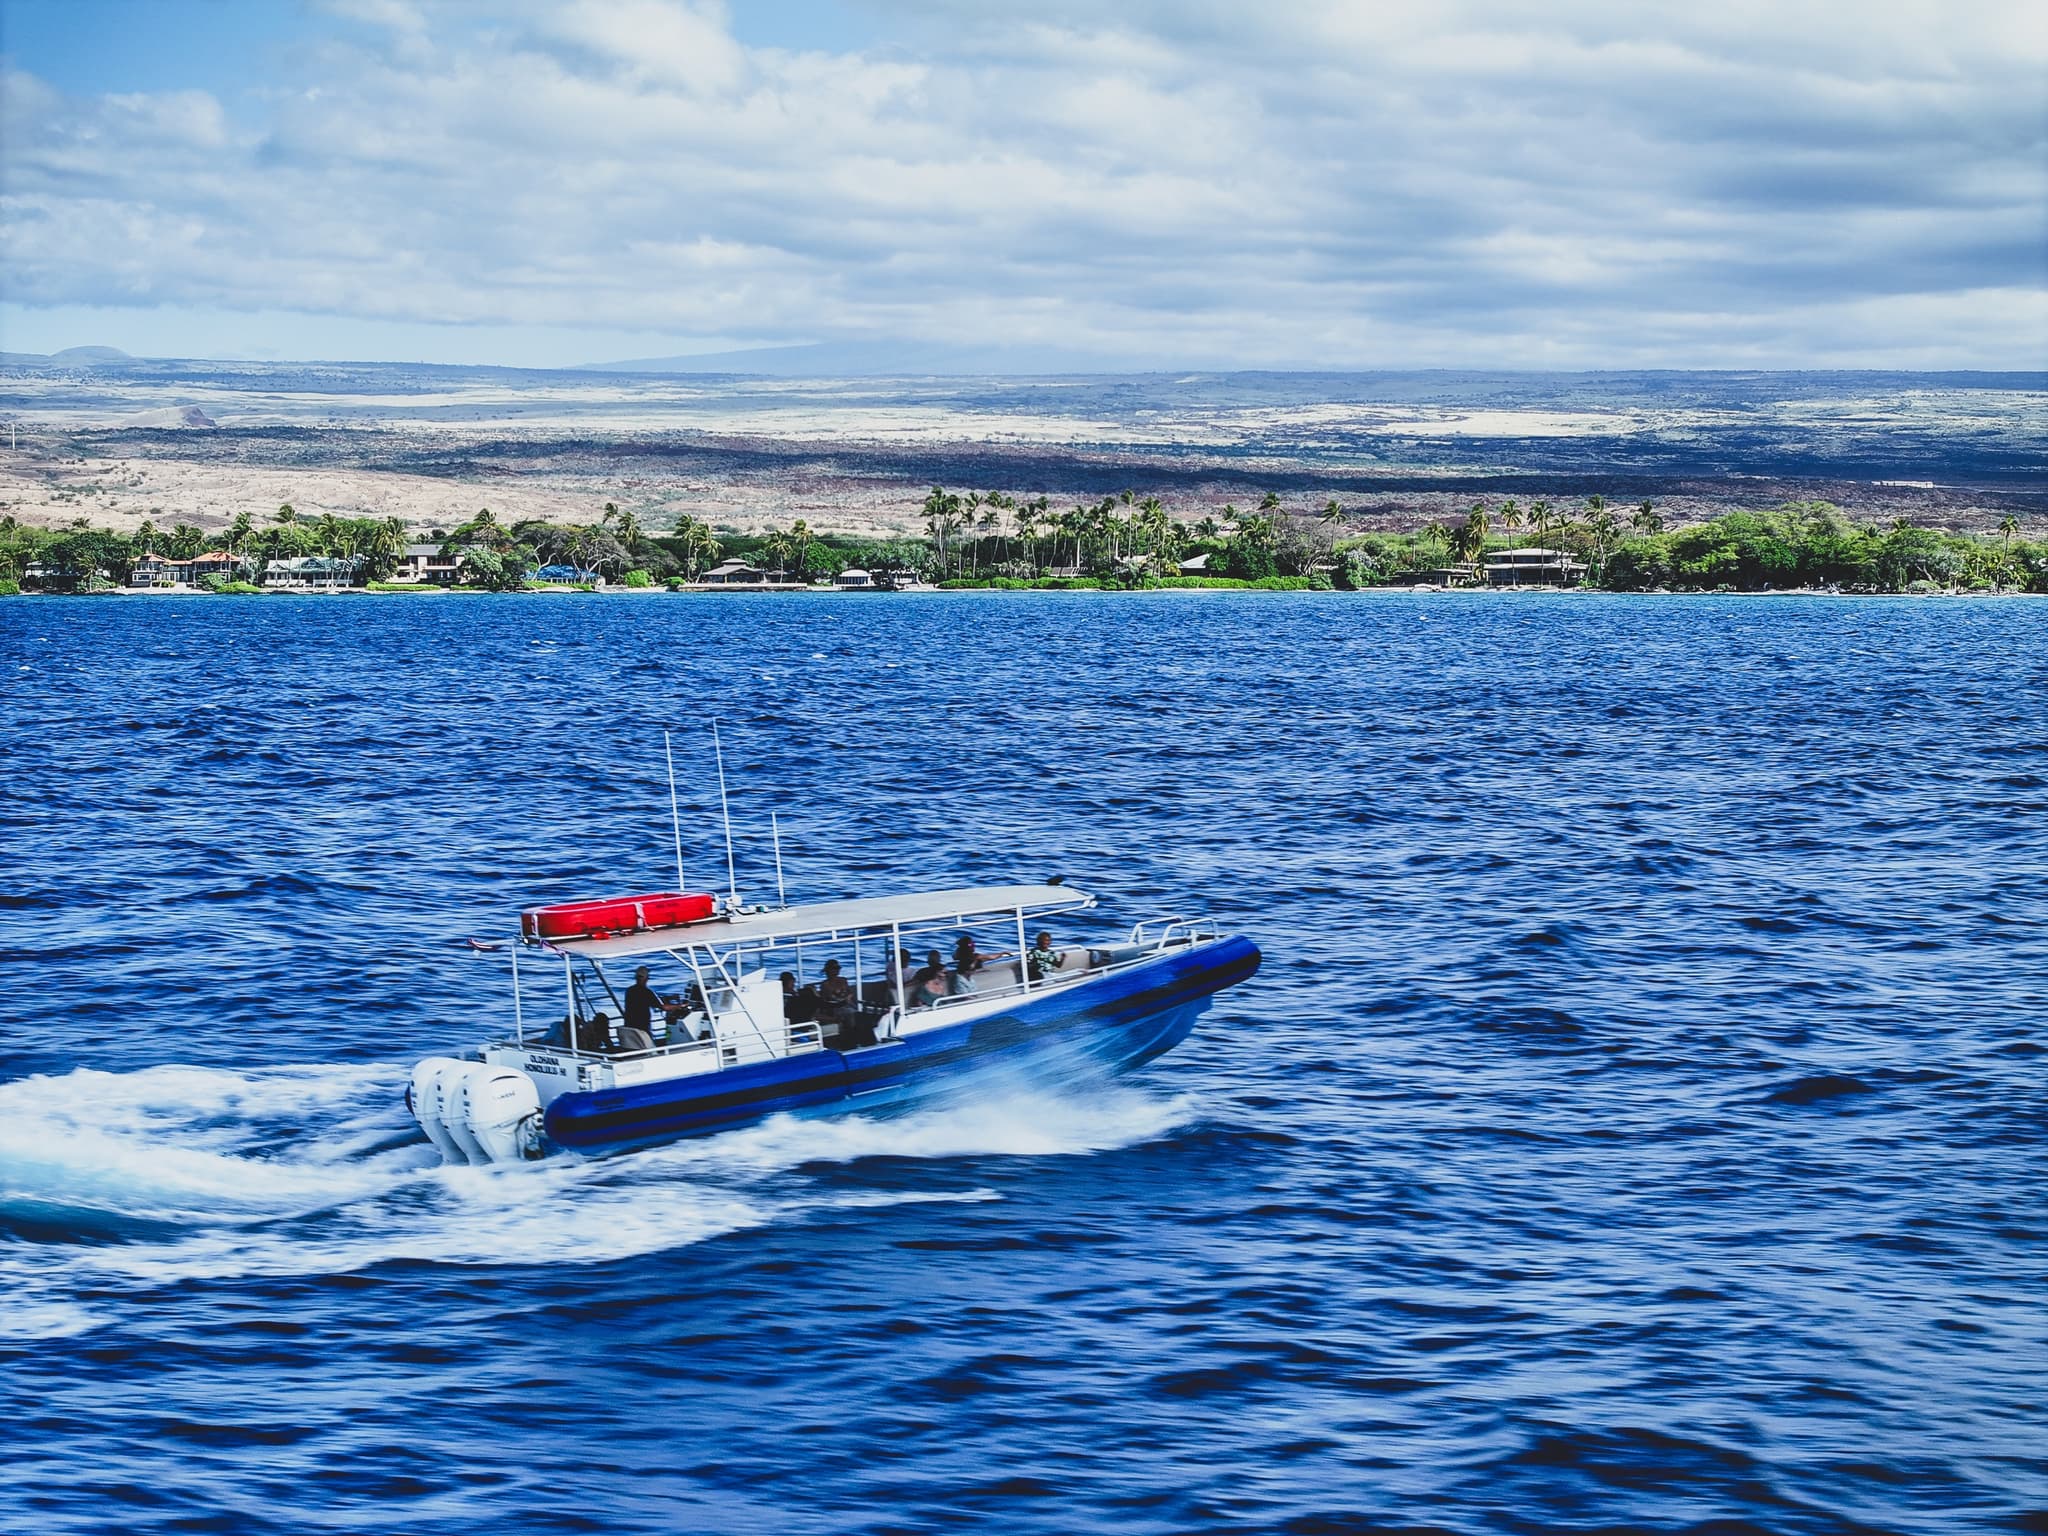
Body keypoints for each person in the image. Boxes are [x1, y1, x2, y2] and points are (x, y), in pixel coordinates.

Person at [623, 966, 663, 1040]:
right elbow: (662, 1007)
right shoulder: (647, 992)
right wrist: (680, 1005)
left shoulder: (629, 990)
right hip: (642, 1028)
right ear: (646, 978)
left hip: (630, 1026)